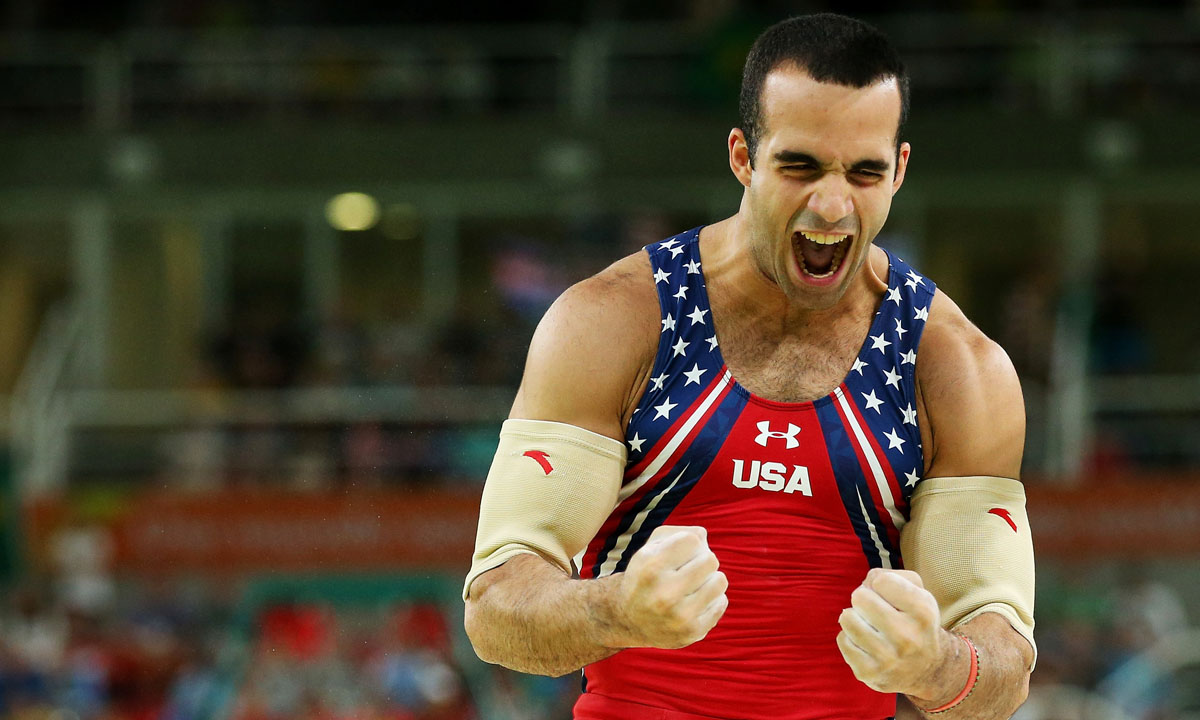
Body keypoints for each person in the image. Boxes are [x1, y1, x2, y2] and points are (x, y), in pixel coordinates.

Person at [463, 13, 1036, 720]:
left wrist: (938, 664)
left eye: (864, 173)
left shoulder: (957, 367)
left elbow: (1004, 667)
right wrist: (613, 611)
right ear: (742, 157)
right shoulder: (614, 321)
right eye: (800, 166)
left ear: (901, 170)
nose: (831, 207)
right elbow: (495, 612)